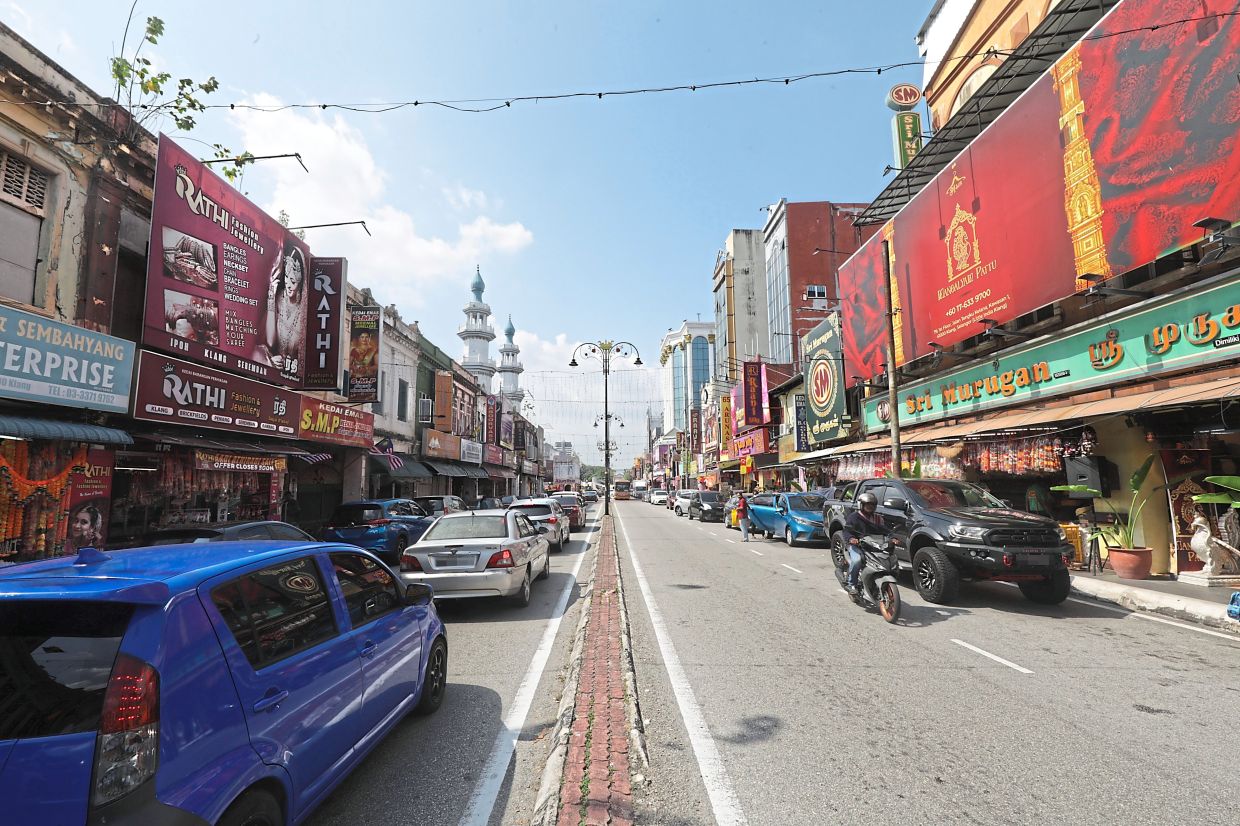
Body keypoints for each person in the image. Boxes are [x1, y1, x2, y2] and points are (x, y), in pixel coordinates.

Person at [843, 492, 891, 594]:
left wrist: (893, 538)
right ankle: (851, 584)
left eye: (872, 505)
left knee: (888, 559)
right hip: (857, 545)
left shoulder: (878, 518)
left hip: (873, 545)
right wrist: (851, 538)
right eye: (867, 504)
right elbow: (846, 531)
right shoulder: (854, 517)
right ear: (861, 505)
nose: (870, 507)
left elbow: (885, 530)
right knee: (857, 561)